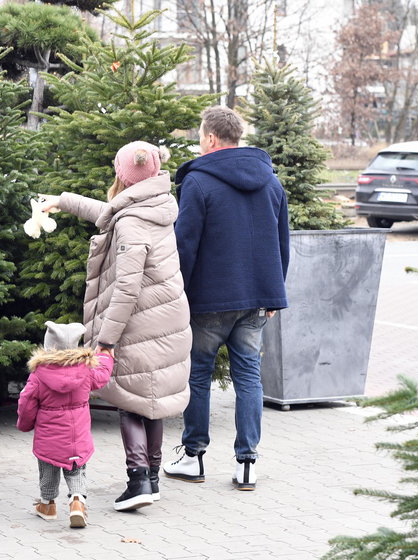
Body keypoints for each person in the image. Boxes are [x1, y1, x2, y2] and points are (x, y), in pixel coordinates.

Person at [39, 141, 192, 512]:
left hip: (138, 321)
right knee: (149, 401)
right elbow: (109, 213)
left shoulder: (131, 225)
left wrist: (105, 341)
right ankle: (151, 480)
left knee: (129, 400)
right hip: (166, 318)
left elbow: (126, 287)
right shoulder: (154, 205)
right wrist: (63, 200)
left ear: (123, 176)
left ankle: (138, 479)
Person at [163, 105, 289, 491]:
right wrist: (273, 294)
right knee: (249, 377)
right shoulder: (272, 183)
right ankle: (247, 463)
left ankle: (193, 456)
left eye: (200, 136)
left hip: (208, 301)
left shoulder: (199, 184)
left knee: (198, 375)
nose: (198, 144)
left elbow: (185, 247)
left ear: (212, 139)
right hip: (255, 301)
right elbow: (283, 244)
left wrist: (178, 295)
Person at [17, 320, 114, 528]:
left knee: (48, 467)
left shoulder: (39, 375)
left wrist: (24, 424)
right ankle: (77, 503)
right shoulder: (86, 369)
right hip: (77, 435)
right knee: (76, 467)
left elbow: (26, 402)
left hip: (49, 436)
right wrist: (105, 355)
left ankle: (47, 505)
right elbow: (103, 375)